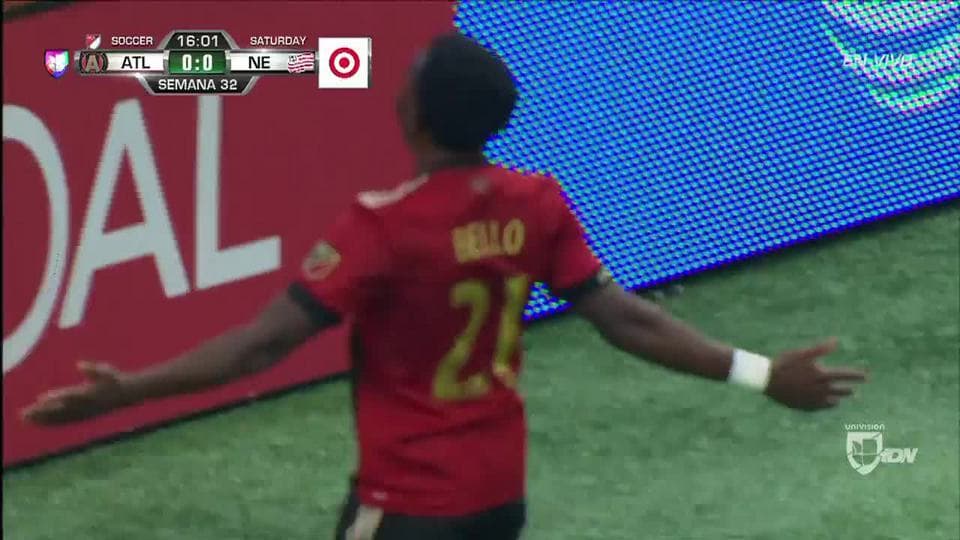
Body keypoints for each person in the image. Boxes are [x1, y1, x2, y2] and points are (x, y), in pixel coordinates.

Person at [22, 33, 867, 540]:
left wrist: (127, 392)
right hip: (498, 501)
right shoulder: (537, 204)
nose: (396, 82)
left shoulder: (382, 226)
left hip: (410, 508)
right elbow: (627, 321)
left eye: (410, 75)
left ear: (418, 114)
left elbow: (261, 346)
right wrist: (762, 373)